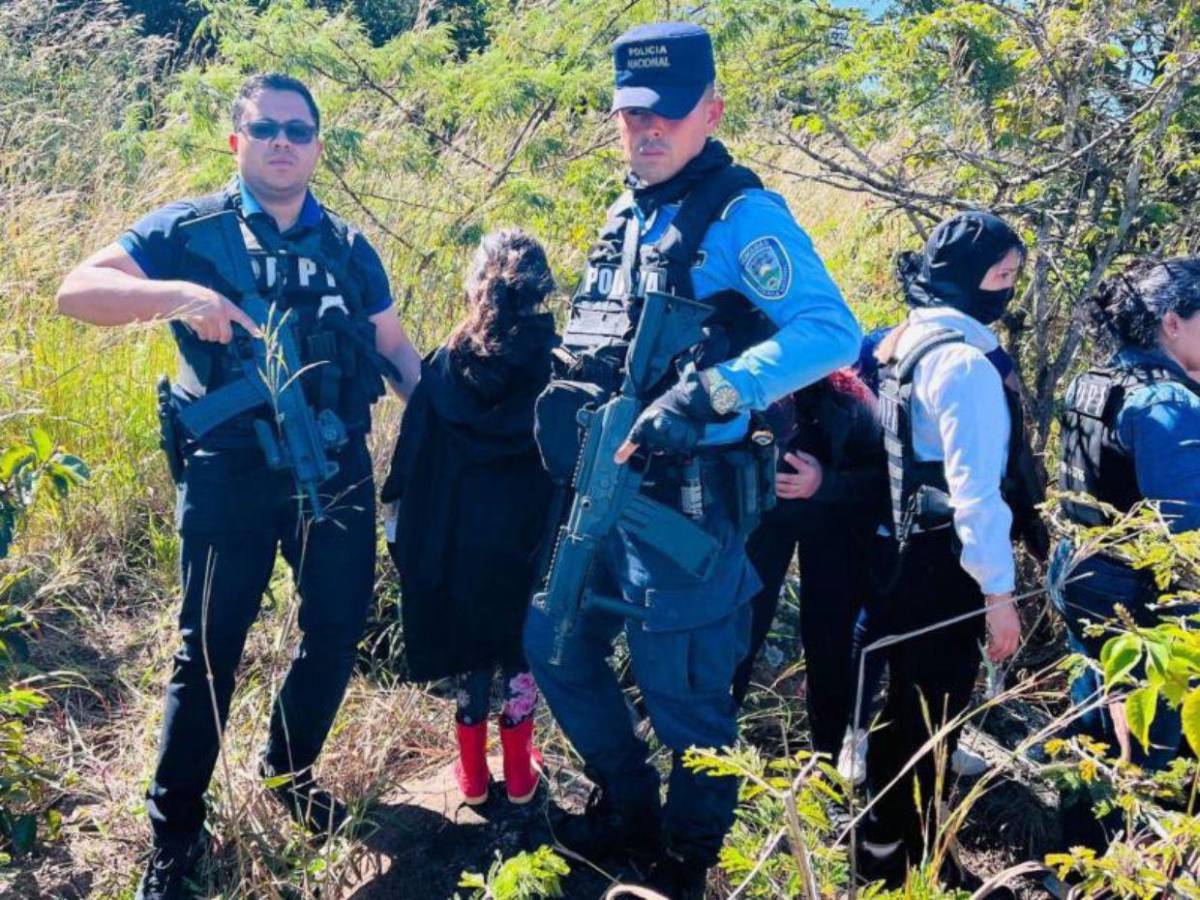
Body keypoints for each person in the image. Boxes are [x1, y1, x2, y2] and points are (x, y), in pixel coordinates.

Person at [55, 73, 421, 900]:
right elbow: (77, 289)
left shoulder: (350, 246)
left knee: (335, 631)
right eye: (265, 129)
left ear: (319, 144)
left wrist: (448, 430)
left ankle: (290, 772)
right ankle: (174, 836)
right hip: (230, 469)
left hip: (334, 466)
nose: (282, 142)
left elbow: (396, 351)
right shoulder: (189, 229)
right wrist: (178, 294)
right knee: (209, 653)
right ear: (237, 140)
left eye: (298, 129)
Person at [521, 22, 861, 899]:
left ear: (710, 110)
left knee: (687, 700)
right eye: (631, 115)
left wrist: (713, 394)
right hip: (600, 485)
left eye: (667, 115)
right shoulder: (623, 213)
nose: (648, 131)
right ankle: (628, 805)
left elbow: (830, 331)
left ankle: (687, 858)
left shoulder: (742, 215)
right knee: (552, 641)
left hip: (687, 505)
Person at [861, 211, 1048, 887]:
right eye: (1002, 278)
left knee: (903, 711)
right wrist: (999, 596)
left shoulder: (904, 343)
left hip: (900, 553)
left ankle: (884, 848)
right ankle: (912, 863)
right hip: (947, 566)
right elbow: (976, 494)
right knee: (932, 718)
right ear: (970, 280)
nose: (1007, 292)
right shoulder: (965, 365)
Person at [380, 228, 557, 807]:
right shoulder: (560, 370)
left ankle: (474, 779)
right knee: (519, 657)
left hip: (456, 547)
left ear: (473, 286)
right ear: (542, 290)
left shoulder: (445, 365)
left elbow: (410, 462)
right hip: (529, 549)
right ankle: (523, 776)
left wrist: (406, 543)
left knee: (471, 661)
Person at [1054, 258, 1200, 788]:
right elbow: (1189, 539)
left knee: (1092, 722)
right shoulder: (1166, 401)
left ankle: (1076, 856)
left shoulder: (1095, 380)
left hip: (1078, 572)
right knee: (1152, 744)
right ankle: (1136, 856)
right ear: (1173, 323)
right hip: (1137, 599)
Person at [730, 368, 888, 773]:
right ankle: (711, 759)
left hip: (834, 530)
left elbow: (885, 480)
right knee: (737, 636)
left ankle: (831, 767)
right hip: (759, 529)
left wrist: (827, 483)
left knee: (829, 646)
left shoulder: (849, 399)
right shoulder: (742, 388)